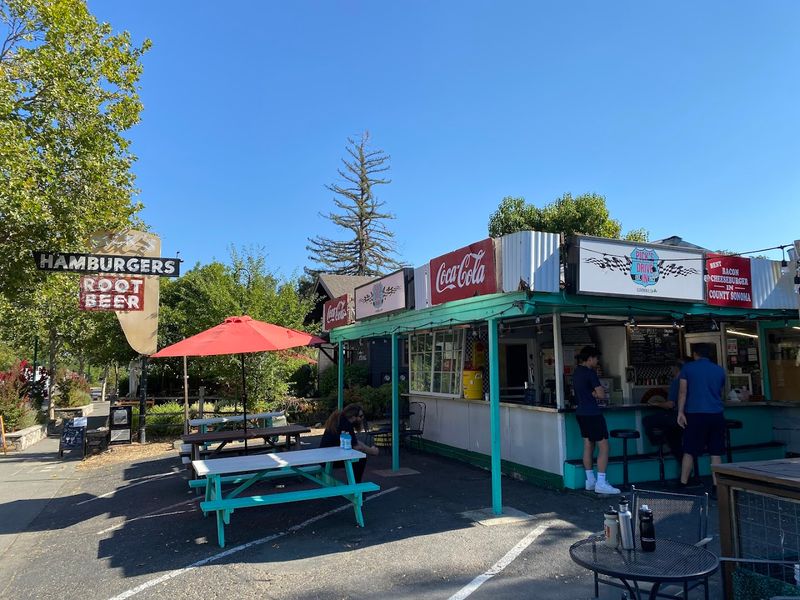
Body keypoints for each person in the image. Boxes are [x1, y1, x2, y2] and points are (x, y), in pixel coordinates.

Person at [677, 344, 726, 491]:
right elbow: (720, 391)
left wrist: (680, 412)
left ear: (695, 354)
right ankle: (717, 487)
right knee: (716, 452)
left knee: (690, 450)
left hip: (695, 414)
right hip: (716, 414)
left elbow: (682, 392)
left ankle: (683, 483)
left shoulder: (688, 368)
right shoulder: (719, 370)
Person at [573, 346, 620, 495]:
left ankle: (590, 480)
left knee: (588, 445)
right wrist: (596, 393)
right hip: (593, 413)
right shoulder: (590, 373)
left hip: (580, 412)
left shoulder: (576, 372)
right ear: (591, 358)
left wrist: (592, 393)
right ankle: (601, 482)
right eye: (596, 358)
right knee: (604, 446)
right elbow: (601, 394)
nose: (597, 361)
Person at [319, 403, 379, 483]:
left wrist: (368, 449)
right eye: (360, 416)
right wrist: (372, 451)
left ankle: (353, 485)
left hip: (326, 456)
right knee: (360, 459)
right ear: (353, 417)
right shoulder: (346, 425)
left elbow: (354, 442)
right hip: (329, 459)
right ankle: (354, 486)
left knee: (357, 456)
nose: (362, 418)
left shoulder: (339, 419)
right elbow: (356, 447)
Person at [642, 360, 685, 463]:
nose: (671, 371)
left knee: (647, 420)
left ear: (675, 368)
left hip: (677, 417)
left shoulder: (676, 381)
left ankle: (658, 444)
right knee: (673, 438)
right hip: (687, 418)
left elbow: (670, 404)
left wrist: (656, 403)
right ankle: (685, 471)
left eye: (671, 368)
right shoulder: (690, 380)